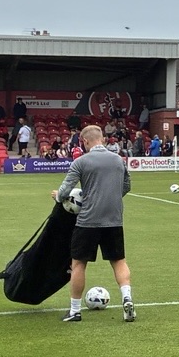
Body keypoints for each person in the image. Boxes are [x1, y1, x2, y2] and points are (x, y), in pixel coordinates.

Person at [55, 124, 136, 323]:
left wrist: (58, 197)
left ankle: (75, 311)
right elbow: (126, 186)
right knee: (119, 261)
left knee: (78, 264)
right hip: (114, 219)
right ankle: (127, 299)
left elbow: (65, 191)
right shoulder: (118, 160)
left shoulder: (80, 162)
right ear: (103, 139)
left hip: (88, 220)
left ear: (85, 141)